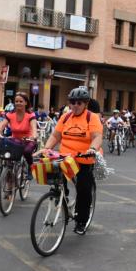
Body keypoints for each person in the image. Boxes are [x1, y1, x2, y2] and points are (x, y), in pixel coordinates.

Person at [35, 87, 102, 235]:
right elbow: (55, 136)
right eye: (72, 102)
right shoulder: (65, 117)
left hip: (84, 158)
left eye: (79, 102)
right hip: (65, 157)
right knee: (53, 174)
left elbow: (97, 136)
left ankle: (81, 221)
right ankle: (61, 194)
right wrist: (46, 149)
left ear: (86, 103)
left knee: (84, 189)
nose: (75, 105)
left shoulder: (92, 117)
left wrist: (92, 148)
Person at [0, 92, 38, 178]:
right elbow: (2, 125)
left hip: (28, 140)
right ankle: (9, 176)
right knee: (6, 149)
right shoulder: (10, 114)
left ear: (26, 103)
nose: (18, 103)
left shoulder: (30, 115)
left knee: (27, 151)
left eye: (21, 101)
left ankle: (30, 168)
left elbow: (34, 127)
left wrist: (34, 136)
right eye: (16, 101)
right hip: (15, 140)